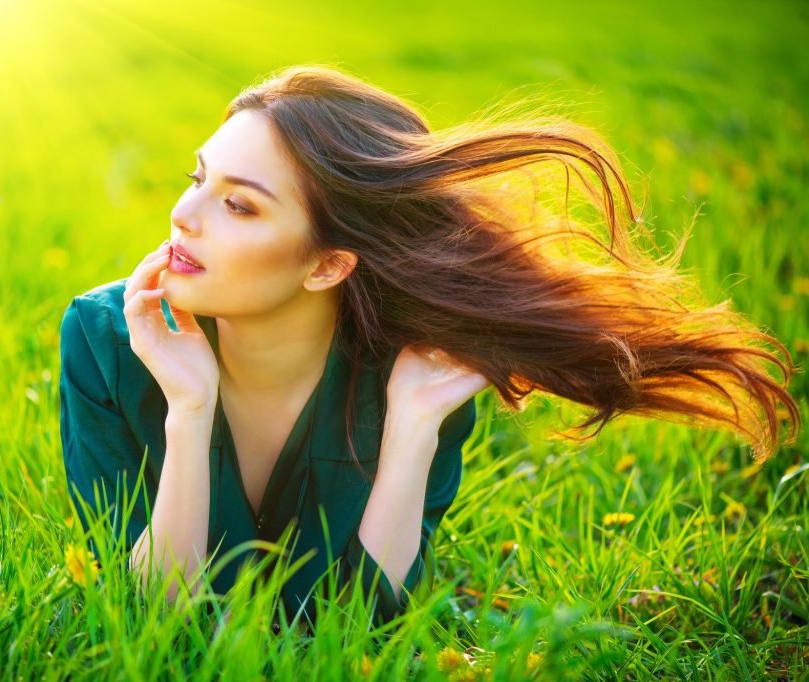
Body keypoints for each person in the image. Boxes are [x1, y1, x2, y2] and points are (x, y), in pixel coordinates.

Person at [59, 65, 801, 629]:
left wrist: (414, 427)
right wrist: (189, 409)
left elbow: (366, 623)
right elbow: (158, 616)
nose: (183, 214)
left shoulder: (418, 369)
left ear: (328, 264)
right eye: (198, 178)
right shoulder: (106, 340)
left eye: (239, 204)